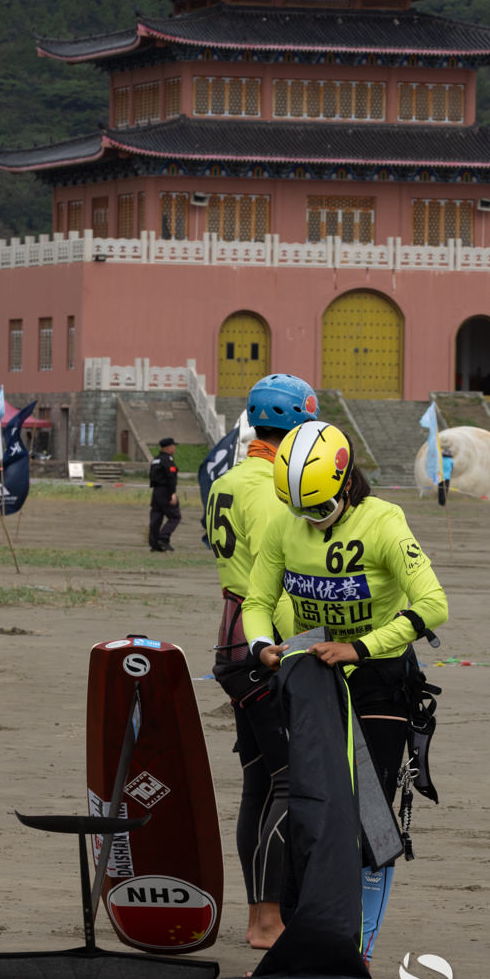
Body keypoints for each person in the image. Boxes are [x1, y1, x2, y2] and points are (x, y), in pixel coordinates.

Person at [243, 419, 447, 960]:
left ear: (345, 483)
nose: (308, 521)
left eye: (320, 511)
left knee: (369, 821)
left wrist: (360, 648)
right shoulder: (286, 525)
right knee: (312, 811)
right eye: (300, 511)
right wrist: (263, 644)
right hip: (314, 680)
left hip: (379, 682)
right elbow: (257, 601)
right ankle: (308, 928)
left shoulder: (384, 522)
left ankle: (359, 946)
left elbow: (432, 605)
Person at [205, 374, 319, 948]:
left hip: (228, 640)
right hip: (263, 646)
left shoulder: (225, 479)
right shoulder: (275, 489)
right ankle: (266, 919)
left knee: (259, 781)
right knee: (289, 780)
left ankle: (263, 913)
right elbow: (278, 579)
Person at [148, 436, 180, 551]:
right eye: (173, 446)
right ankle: (163, 538)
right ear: (168, 448)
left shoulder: (156, 460)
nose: (174, 449)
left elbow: (152, 477)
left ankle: (154, 544)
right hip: (166, 491)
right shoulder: (168, 461)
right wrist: (172, 493)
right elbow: (171, 478)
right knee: (175, 516)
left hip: (156, 492)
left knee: (156, 518)